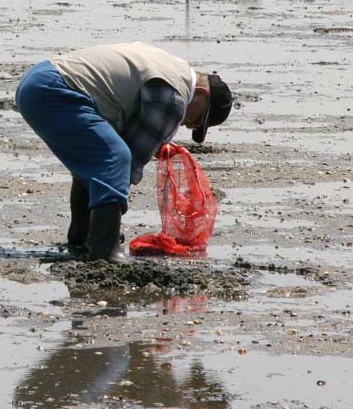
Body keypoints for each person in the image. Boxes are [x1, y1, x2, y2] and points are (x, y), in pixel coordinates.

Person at [14, 42, 233, 261]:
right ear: (201, 94)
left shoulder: (172, 67)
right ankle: (104, 249)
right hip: (55, 91)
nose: (190, 125)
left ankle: (81, 237)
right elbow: (127, 162)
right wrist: (111, 221)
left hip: (38, 79)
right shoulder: (173, 98)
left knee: (98, 159)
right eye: (199, 119)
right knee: (116, 158)